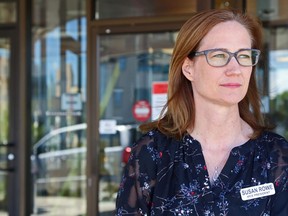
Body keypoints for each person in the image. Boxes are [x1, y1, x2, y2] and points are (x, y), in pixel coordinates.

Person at [115, 9, 288, 216]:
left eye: (243, 55)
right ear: (188, 68)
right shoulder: (151, 154)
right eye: (219, 55)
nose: (235, 69)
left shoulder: (276, 155)